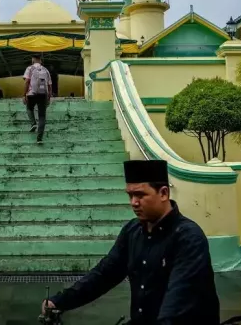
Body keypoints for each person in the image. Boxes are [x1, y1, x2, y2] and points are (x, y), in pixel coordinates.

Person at [41, 160, 220, 324]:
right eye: (130, 195)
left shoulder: (188, 238)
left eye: (140, 195)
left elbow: (178, 302)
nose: (134, 202)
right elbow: (104, 274)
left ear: (163, 193)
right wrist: (59, 301)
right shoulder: (132, 231)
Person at [23, 53, 52, 143]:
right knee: (42, 116)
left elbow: (27, 81)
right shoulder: (46, 70)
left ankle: (33, 123)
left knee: (29, 108)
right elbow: (49, 85)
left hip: (32, 94)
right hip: (43, 94)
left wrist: (24, 94)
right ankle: (39, 138)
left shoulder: (29, 68)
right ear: (40, 60)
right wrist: (49, 97)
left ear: (33, 60)